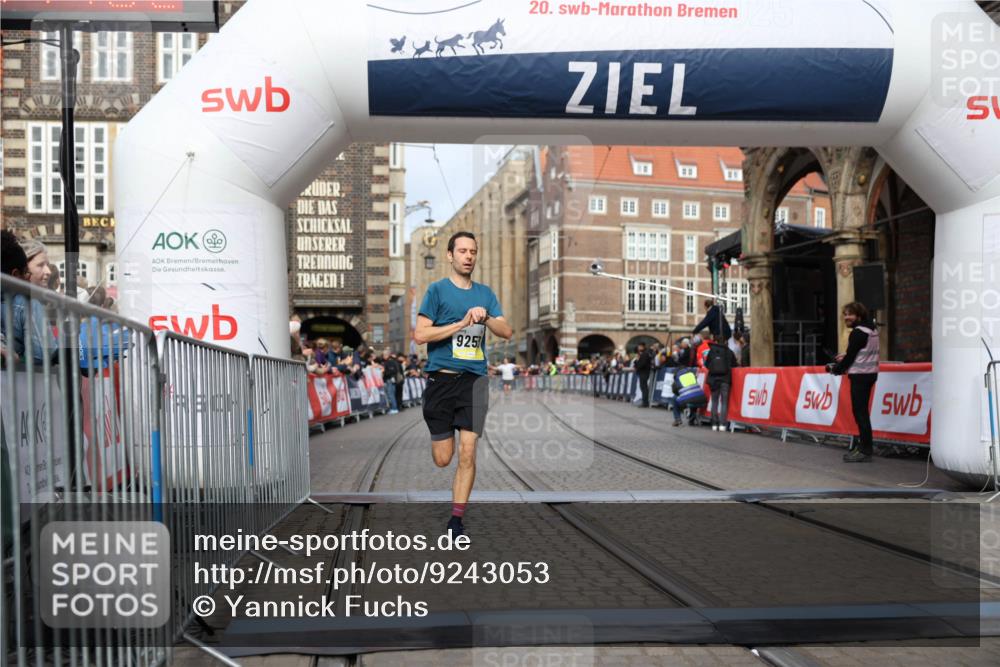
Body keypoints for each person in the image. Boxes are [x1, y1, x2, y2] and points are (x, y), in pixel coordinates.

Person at [413, 231, 513, 536]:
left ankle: (456, 520)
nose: (469, 256)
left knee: (468, 452)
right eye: (463, 251)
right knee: (444, 459)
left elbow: (506, 331)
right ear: (450, 255)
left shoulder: (485, 294)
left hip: (474, 381)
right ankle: (454, 506)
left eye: (473, 251)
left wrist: (485, 320)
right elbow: (421, 335)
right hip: (441, 381)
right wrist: (461, 323)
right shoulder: (437, 291)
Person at [828, 302, 880, 463]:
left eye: (849, 314)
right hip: (870, 374)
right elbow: (859, 352)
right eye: (845, 314)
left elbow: (851, 358)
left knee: (860, 413)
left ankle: (865, 450)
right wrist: (846, 357)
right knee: (862, 412)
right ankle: (863, 445)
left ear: (859, 315)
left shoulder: (858, 333)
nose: (846, 318)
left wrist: (836, 369)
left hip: (860, 376)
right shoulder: (872, 329)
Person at [1, 230, 57, 365]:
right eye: (40, 265)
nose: (48, 272)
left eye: (48, 265)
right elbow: (42, 356)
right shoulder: (27, 303)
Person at [705, 332, 738, 431]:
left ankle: (714, 424)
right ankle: (723, 424)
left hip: (713, 380)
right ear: (725, 341)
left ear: (715, 341)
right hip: (725, 380)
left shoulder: (711, 351)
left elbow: (707, 365)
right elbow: (734, 365)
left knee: (714, 402)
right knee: (724, 402)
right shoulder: (729, 352)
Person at [382, 348, 403, 414]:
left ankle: (394, 408)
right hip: (393, 380)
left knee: (391, 395)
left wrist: (384, 372)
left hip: (390, 380)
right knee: (392, 394)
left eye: (384, 355)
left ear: (387, 355)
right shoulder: (393, 361)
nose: (383, 356)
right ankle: (394, 407)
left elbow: (392, 371)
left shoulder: (389, 362)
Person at [633, 342, 653, 407]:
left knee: (644, 387)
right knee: (642, 387)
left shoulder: (645, 354)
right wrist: (636, 361)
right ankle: (644, 401)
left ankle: (645, 402)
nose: (638, 348)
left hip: (644, 372)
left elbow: (642, 364)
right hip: (642, 372)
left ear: (642, 347)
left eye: (639, 346)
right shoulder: (642, 354)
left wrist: (637, 362)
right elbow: (638, 365)